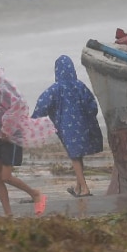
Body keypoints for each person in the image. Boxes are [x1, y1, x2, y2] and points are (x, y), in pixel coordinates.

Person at [0, 50, 54, 216]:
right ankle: (8, 214)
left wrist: (7, 128)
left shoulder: (4, 84)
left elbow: (19, 105)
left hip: (10, 135)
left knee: (6, 176)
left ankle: (35, 194)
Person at [32, 55, 104, 198]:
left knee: (74, 157)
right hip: (83, 125)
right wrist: (89, 117)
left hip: (67, 128)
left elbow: (43, 103)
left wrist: (33, 118)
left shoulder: (56, 89)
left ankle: (84, 189)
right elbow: (92, 104)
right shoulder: (80, 86)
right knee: (78, 155)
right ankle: (78, 187)